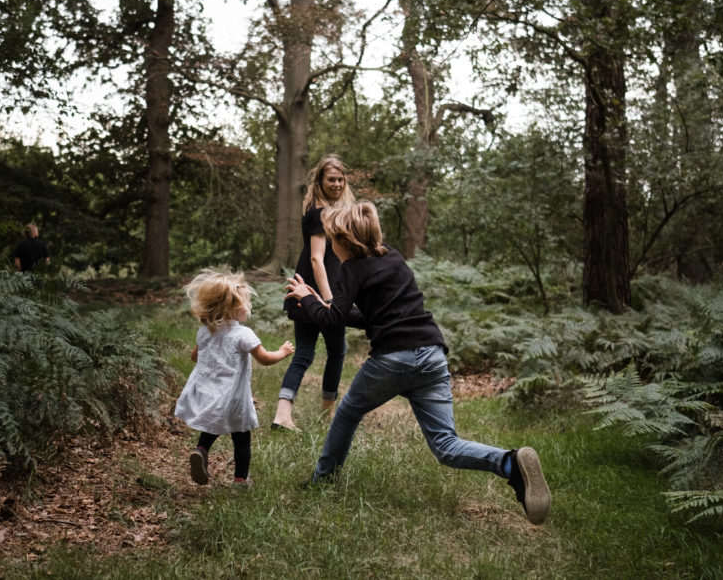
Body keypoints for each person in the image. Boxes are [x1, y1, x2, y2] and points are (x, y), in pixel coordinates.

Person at [284, 202, 551, 525]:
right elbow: (370, 316)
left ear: (345, 241)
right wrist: (322, 302)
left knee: (348, 412)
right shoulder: (393, 257)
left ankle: (322, 480)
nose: (330, 247)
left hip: (393, 359)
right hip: (432, 356)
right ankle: (509, 463)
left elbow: (333, 321)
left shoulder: (351, 269)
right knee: (445, 445)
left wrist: (307, 297)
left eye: (332, 240)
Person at [174, 268, 294, 485]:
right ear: (233, 308)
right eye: (246, 303)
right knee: (242, 439)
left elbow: (194, 357)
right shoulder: (243, 334)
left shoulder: (206, 331)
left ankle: (201, 450)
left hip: (211, 394)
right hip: (235, 397)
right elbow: (265, 359)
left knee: (211, 426)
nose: (248, 307)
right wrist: (283, 352)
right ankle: (240, 480)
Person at [271, 154, 355, 431]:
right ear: (319, 182)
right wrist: (329, 301)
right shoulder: (320, 214)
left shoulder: (329, 213)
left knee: (310, 353)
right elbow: (317, 260)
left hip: (306, 291)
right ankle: (323, 416)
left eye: (341, 179)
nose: (337, 183)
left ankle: (284, 415)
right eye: (331, 179)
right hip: (314, 293)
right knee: (333, 352)